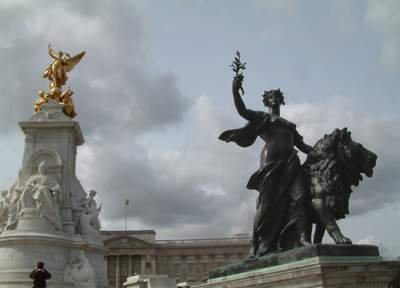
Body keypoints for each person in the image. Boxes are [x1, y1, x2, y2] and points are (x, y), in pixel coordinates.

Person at [219, 76, 314, 256]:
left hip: (291, 162)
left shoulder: (289, 125)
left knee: (300, 197)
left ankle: (303, 238)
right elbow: (243, 111)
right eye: (271, 96)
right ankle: (255, 243)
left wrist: (321, 150)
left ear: (281, 100)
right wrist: (235, 91)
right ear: (266, 101)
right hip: (271, 161)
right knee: (266, 203)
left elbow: (303, 146)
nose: (274, 97)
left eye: (277, 95)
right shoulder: (263, 117)